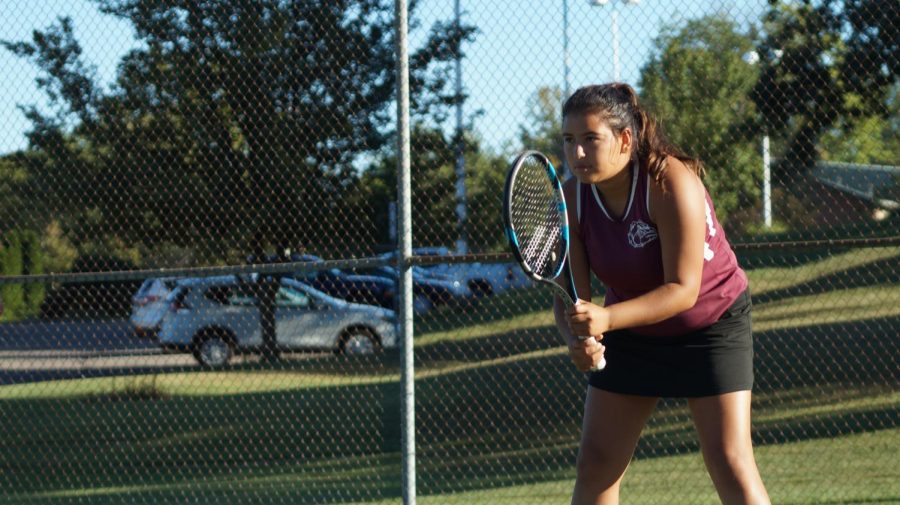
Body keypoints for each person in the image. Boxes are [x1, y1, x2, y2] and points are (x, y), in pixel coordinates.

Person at [553, 83, 771, 505]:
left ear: (625, 139)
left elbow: (682, 290)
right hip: (634, 333)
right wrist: (577, 340)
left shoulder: (670, 182)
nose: (576, 153)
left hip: (711, 326)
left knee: (729, 460)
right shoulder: (571, 200)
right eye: (568, 141)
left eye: (590, 140)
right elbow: (572, 298)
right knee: (595, 464)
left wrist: (606, 320)